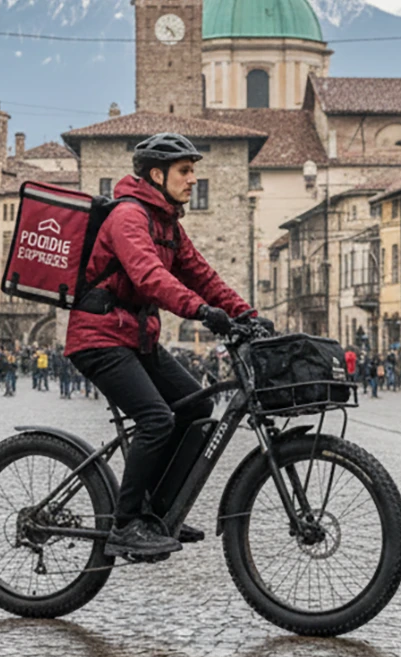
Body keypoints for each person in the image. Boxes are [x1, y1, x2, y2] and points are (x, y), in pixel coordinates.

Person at [66, 132, 259, 559]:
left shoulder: (168, 223)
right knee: (156, 419)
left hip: (136, 336)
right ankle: (126, 524)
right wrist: (200, 311)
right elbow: (148, 275)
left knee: (195, 404)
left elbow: (202, 275)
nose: (193, 179)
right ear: (157, 174)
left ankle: (159, 511)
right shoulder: (129, 217)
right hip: (98, 336)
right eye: (185, 171)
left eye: (193, 171)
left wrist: (248, 315)